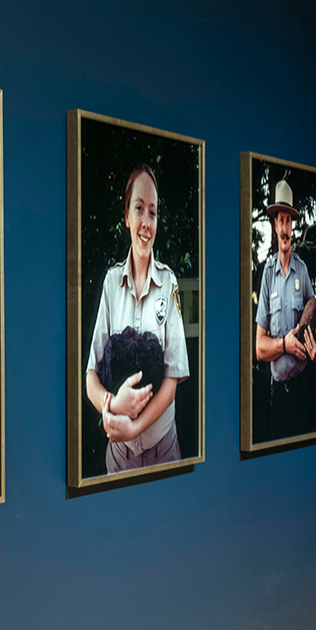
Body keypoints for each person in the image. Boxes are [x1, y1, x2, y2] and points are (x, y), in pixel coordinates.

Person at [85, 164, 189, 473]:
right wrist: (113, 405)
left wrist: (135, 427)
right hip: (118, 459)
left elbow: (172, 382)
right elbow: (90, 378)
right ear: (127, 217)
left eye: (153, 213)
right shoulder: (111, 283)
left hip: (164, 453)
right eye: (139, 209)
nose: (146, 222)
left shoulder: (169, 283)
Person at [254, 179, 316, 435]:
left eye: (288, 221)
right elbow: (259, 348)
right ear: (275, 225)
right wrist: (284, 344)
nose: (285, 228)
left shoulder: (302, 271)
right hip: (277, 394)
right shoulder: (267, 275)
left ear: (293, 226)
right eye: (280, 220)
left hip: (303, 389)